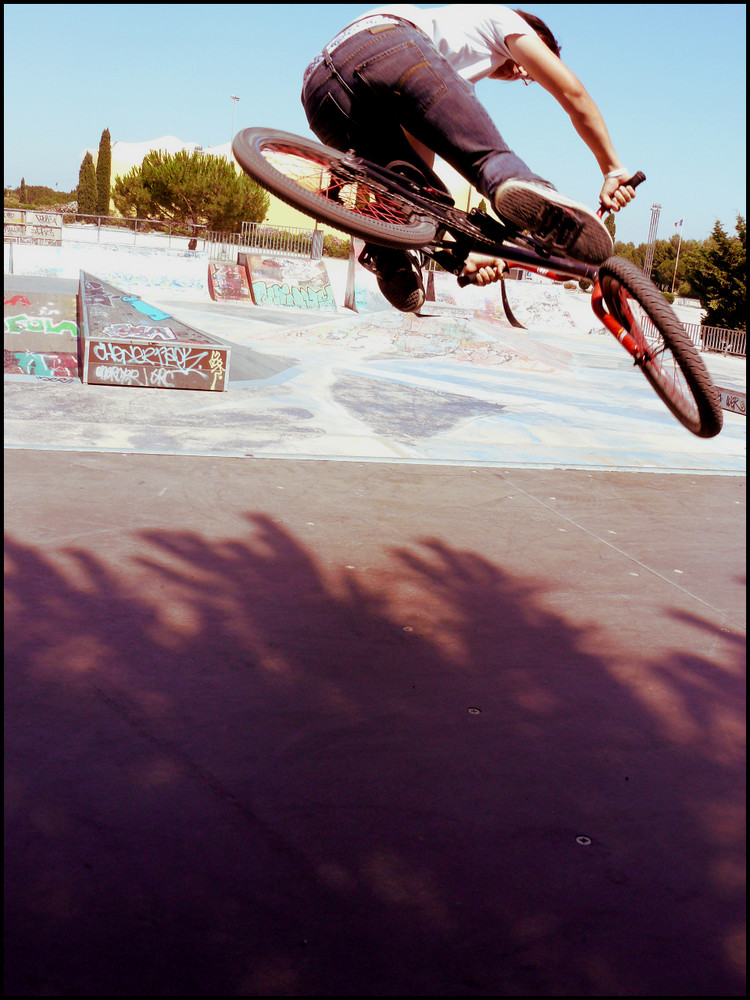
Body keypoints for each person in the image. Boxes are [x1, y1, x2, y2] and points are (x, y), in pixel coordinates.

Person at [301, 5, 637, 312]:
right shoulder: (503, 19)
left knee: (414, 196)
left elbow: (418, 164)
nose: (520, 72)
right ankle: (510, 179)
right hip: (388, 42)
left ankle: (390, 251)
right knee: (488, 162)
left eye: (527, 78)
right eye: (530, 67)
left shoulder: (443, 72)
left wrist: (465, 250)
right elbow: (571, 92)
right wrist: (613, 168)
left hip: (318, 92)